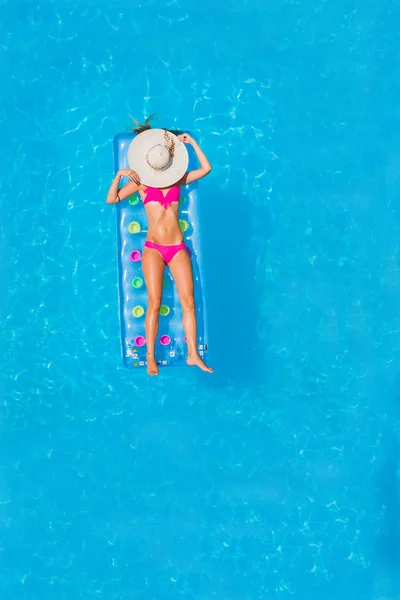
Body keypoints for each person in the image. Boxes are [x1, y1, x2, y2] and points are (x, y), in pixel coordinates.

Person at [106, 120, 213, 376]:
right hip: (154, 248)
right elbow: (112, 199)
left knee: (189, 300)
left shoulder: (178, 179)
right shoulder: (141, 183)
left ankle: (193, 355)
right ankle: (150, 356)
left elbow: (207, 168)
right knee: (154, 302)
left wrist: (193, 144)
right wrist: (120, 175)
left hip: (177, 247)